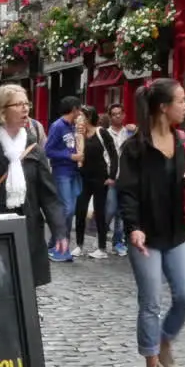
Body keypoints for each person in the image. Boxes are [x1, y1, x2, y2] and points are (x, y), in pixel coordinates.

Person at [117, 79, 185, 367]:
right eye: (180, 101)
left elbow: (184, 180)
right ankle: (152, 362)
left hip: (178, 233)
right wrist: (133, 228)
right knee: (151, 302)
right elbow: (126, 193)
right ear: (163, 107)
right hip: (146, 237)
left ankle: (165, 342)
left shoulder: (182, 141)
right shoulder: (134, 148)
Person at [0, 84, 69, 287]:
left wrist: (59, 230)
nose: (25, 109)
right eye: (18, 104)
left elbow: (48, 194)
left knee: (25, 286)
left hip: (28, 227)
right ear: (2, 110)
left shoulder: (33, 147)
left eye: (26, 104)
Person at [75, 105, 119, 259]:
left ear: (88, 118)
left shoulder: (101, 132)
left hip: (101, 178)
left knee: (100, 212)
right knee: (80, 210)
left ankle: (101, 247)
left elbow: (113, 155)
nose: (79, 118)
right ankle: (79, 245)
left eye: (82, 116)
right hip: (84, 178)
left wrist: (111, 176)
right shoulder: (80, 135)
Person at [44, 96, 84, 261]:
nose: (80, 112)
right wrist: (70, 156)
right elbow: (48, 150)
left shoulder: (73, 126)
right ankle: (58, 245)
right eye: (79, 109)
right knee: (67, 209)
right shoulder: (58, 126)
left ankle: (57, 244)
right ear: (74, 109)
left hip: (73, 172)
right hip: (61, 172)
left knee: (70, 210)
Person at [105, 103, 136, 256]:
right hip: (111, 178)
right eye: (114, 114)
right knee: (110, 210)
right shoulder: (105, 134)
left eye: (119, 113)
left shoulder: (130, 133)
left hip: (126, 178)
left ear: (124, 115)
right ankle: (102, 237)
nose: (117, 116)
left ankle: (118, 242)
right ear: (109, 117)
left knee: (121, 213)